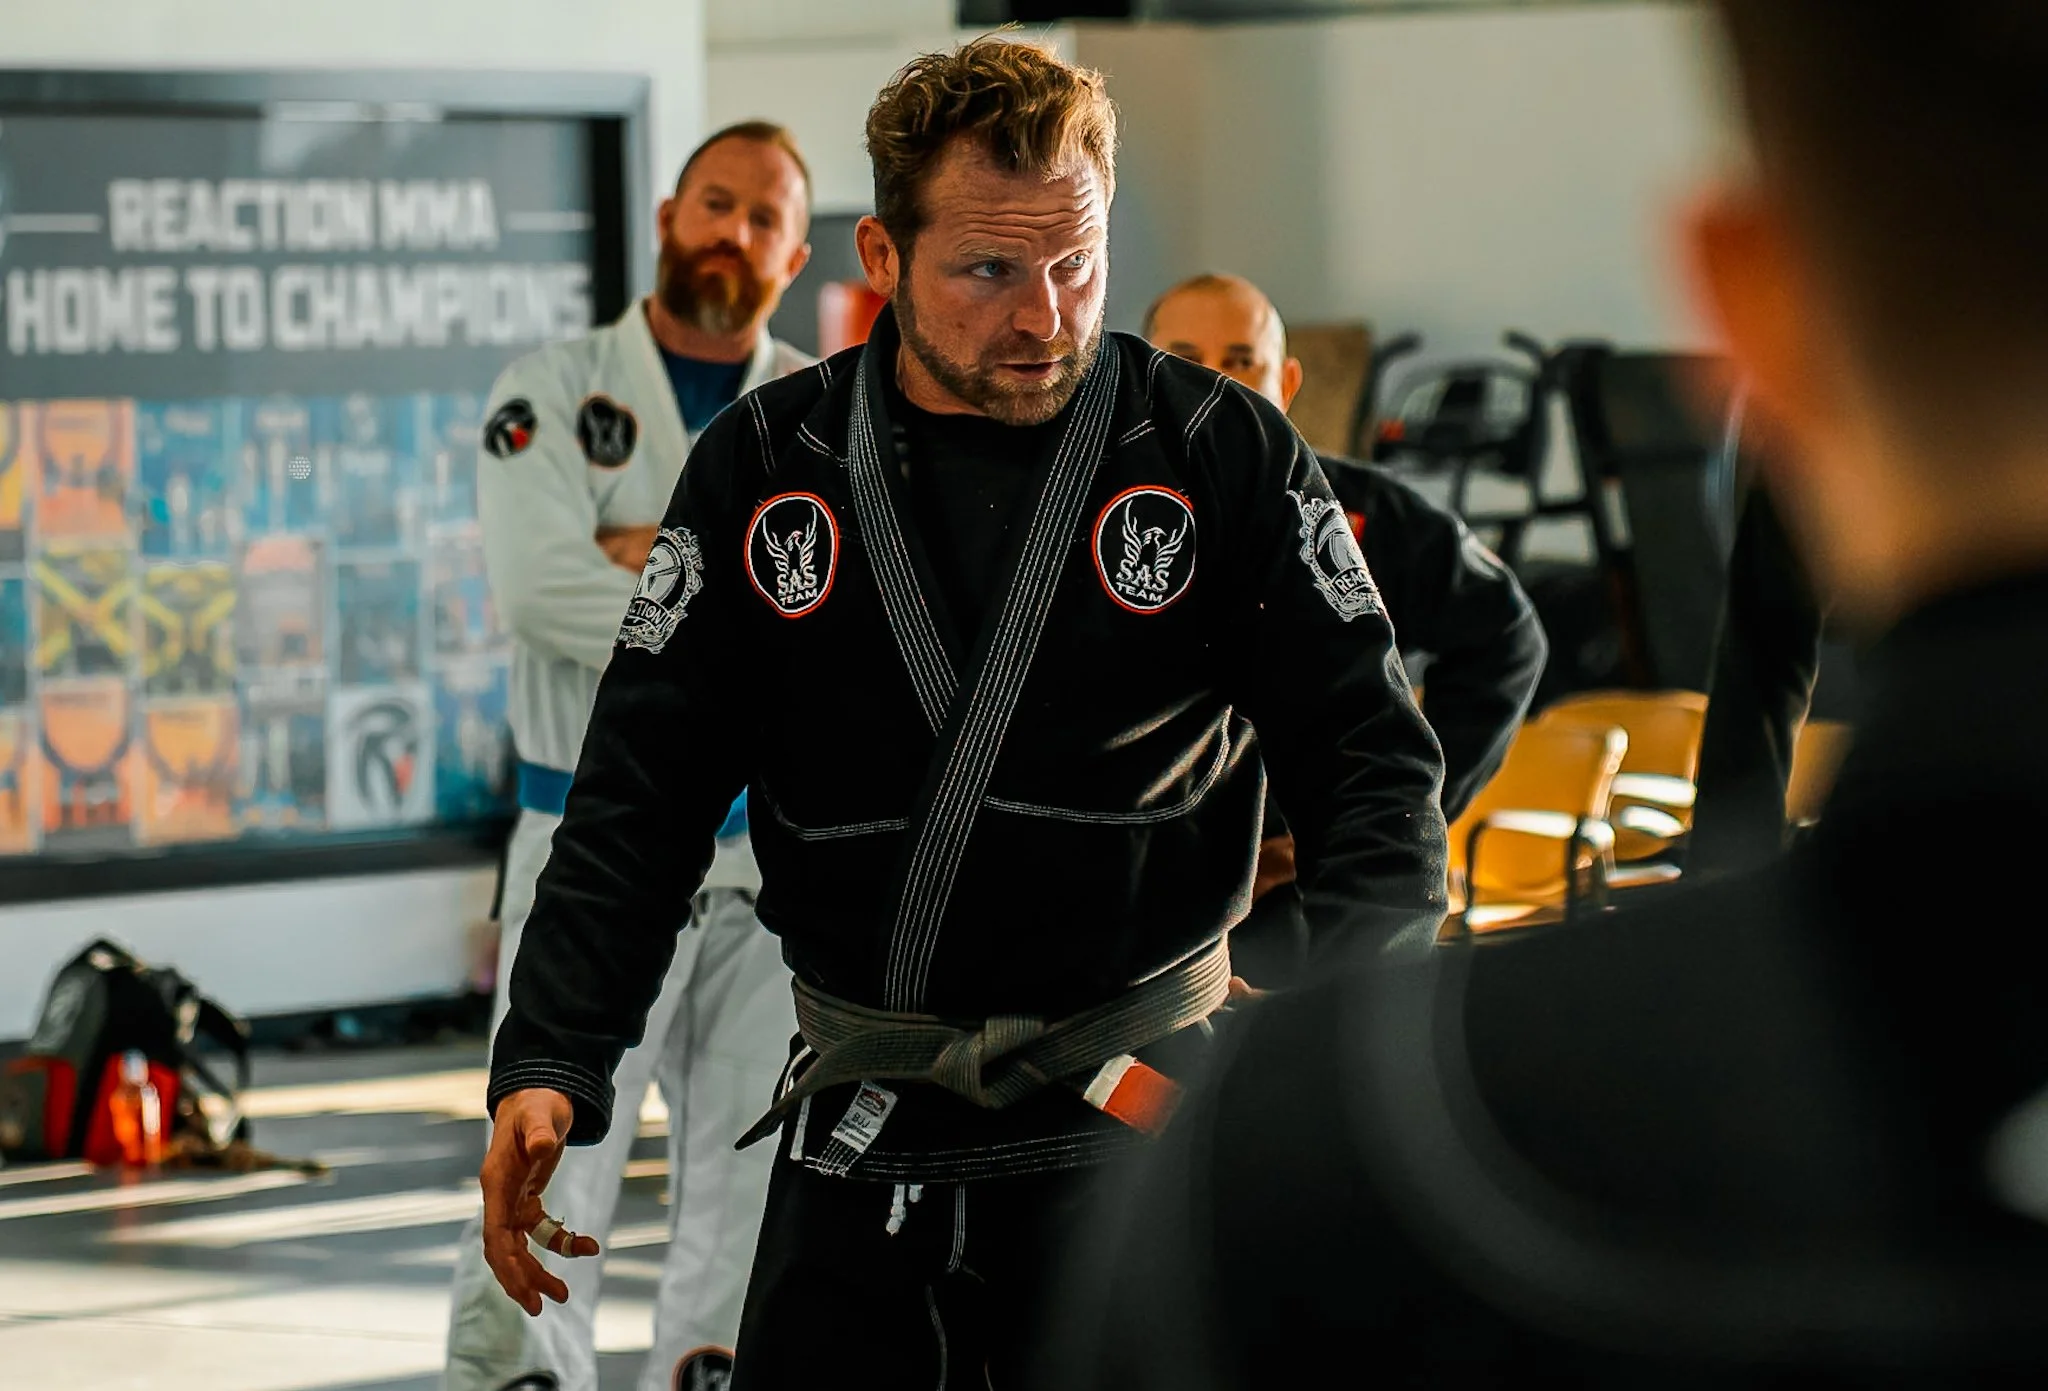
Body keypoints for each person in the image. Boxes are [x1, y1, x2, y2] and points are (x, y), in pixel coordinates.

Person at [1039, 0, 2048, 1384]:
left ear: (1746, 310)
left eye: (1241, 362)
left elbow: (1514, 646)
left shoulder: (1374, 1150)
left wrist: (1357, 855)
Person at [475, 38, 1448, 1390]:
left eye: (1078, 264)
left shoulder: (1214, 450)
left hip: (1143, 1121)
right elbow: (640, 790)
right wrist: (553, 1054)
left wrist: (1367, 1056)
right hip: (869, 1121)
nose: (1044, 314)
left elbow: (1370, 765)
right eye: (988, 270)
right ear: (880, 254)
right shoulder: (768, 468)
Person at [447, 121, 817, 1391]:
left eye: (764, 217)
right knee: (549, 1137)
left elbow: (853, 627)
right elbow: (540, 589)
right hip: (586, 838)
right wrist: (751, 611)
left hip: (770, 860)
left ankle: (705, 1371)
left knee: (749, 1161)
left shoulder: (822, 410)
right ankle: (518, 1375)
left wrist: (650, 557)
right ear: (668, 214)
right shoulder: (546, 390)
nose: (735, 232)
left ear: (795, 250)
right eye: (716, 203)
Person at [1147, 273, 1545, 984]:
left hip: (1295, 916)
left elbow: (1506, 635)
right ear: (1142, 371)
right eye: (1184, 356)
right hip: (1142, 915)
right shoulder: (1108, 521)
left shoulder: (1352, 517)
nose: (1213, 381)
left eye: (1242, 359)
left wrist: (1388, 827)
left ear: (1287, 381)